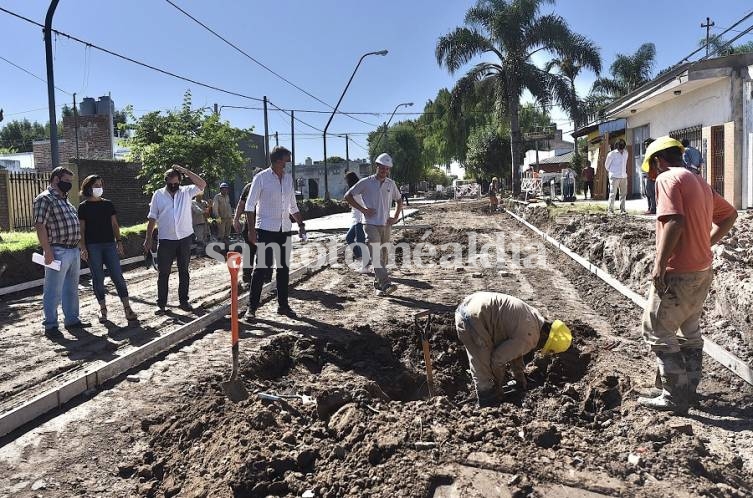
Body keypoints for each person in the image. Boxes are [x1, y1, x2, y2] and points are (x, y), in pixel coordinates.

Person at [637, 136, 737, 414]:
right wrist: (706, 243)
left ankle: (674, 396)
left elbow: (674, 221)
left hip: (678, 272)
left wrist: (660, 262)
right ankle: (689, 388)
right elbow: (730, 215)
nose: (651, 176)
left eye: (651, 170)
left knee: (657, 328)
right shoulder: (698, 181)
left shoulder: (667, 179)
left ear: (658, 161)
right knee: (689, 329)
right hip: (702, 270)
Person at [455, 292, 572, 407]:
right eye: (544, 347)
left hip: (473, 304)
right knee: (482, 365)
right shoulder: (530, 336)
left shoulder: (534, 319)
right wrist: (498, 385)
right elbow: (497, 359)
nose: (539, 348)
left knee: (487, 361)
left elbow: (515, 348)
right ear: (546, 338)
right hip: (473, 318)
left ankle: (489, 395)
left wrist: (519, 376)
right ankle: (487, 401)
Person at [243, 146, 306, 320]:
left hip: (284, 230)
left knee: (283, 270)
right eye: (287, 159)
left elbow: (292, 205)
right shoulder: (261, 178)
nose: (289, 162)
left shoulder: (288, 179)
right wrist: (251, 230)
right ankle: (252, 308)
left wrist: (300, 223)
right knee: (261, 269)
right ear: (279, 160)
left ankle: (283, 306)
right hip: (265, 230)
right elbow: (249, 206)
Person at [34, 166, 90, 334]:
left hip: (72, 251)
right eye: (66, 181)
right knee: (53, 290)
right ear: (56, 179)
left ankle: (72, 320)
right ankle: (50, 324)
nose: (69, 184)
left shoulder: (65, 200)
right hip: (57, 250)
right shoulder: (45, 199)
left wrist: (80, 247)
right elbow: (40, 225)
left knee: (71, 288)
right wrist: (48, 251)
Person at [144, 165, 206, 314]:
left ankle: (184, 301)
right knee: (163, 272)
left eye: (176, 183)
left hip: (184, 238)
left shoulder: (186, 192)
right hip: (166, 240)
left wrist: (186, 171)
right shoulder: (158, 195)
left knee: (183, 271)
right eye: (170, 183)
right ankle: (161, 304)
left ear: (180, 181)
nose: (173, 186)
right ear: (165, 181)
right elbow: (152, 217)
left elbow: (202, 184)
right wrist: (148, 238)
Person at [78, 175, 137, 323]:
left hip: (109, 245)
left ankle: (127, 308)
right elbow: (82, 229)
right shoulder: (83, 207)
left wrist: (119, 241)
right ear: (88, 187)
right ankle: (103, 309)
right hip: (92, 247)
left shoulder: (108, 204)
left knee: (118, 276)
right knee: (98, 278)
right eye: (95, 185)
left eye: (100, 184)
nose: (99, 187)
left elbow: (115, 225)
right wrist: (83, 247)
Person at [344, 153, 403, 296]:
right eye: (382, 167)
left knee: (383, 256)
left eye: (387, 168)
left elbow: (399, 200)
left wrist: (395, 217)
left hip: (386, 225)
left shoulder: (391, 183)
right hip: (370, 224)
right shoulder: (366, 182)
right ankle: (386, 282)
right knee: (376, 253)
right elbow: (348, 196)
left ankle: (378, 286)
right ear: (377, 166)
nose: (384, 170)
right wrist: (363, 210)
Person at [344, 171, 367, 270]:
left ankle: (365, 265)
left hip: (360, 219)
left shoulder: (356, 191)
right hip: (356, 219)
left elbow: (361, 203)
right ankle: (360, 258)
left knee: (360, 242)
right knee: (349, 238)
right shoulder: (355, 190)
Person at [604, 139, 629, 214]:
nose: (621, 146)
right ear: (617, 145)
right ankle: (610, 210)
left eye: (622, 144)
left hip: (623, 176)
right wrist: (612, 172)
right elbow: (606, 166)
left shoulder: (626, 153)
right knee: (613, 193)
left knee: (623, 194)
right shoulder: (611, 154)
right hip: (614, 176)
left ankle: (622, 210)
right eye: (620, 144)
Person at [642, 138, 657, 215]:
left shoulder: (653, 154)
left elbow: (653, 166)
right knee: (648, 193)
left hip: (652, 176)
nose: (645, 146)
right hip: (649, 175)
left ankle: (653, 209)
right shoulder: (650, 153)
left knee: (651, 193)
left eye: (646, 144)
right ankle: (650, 208)